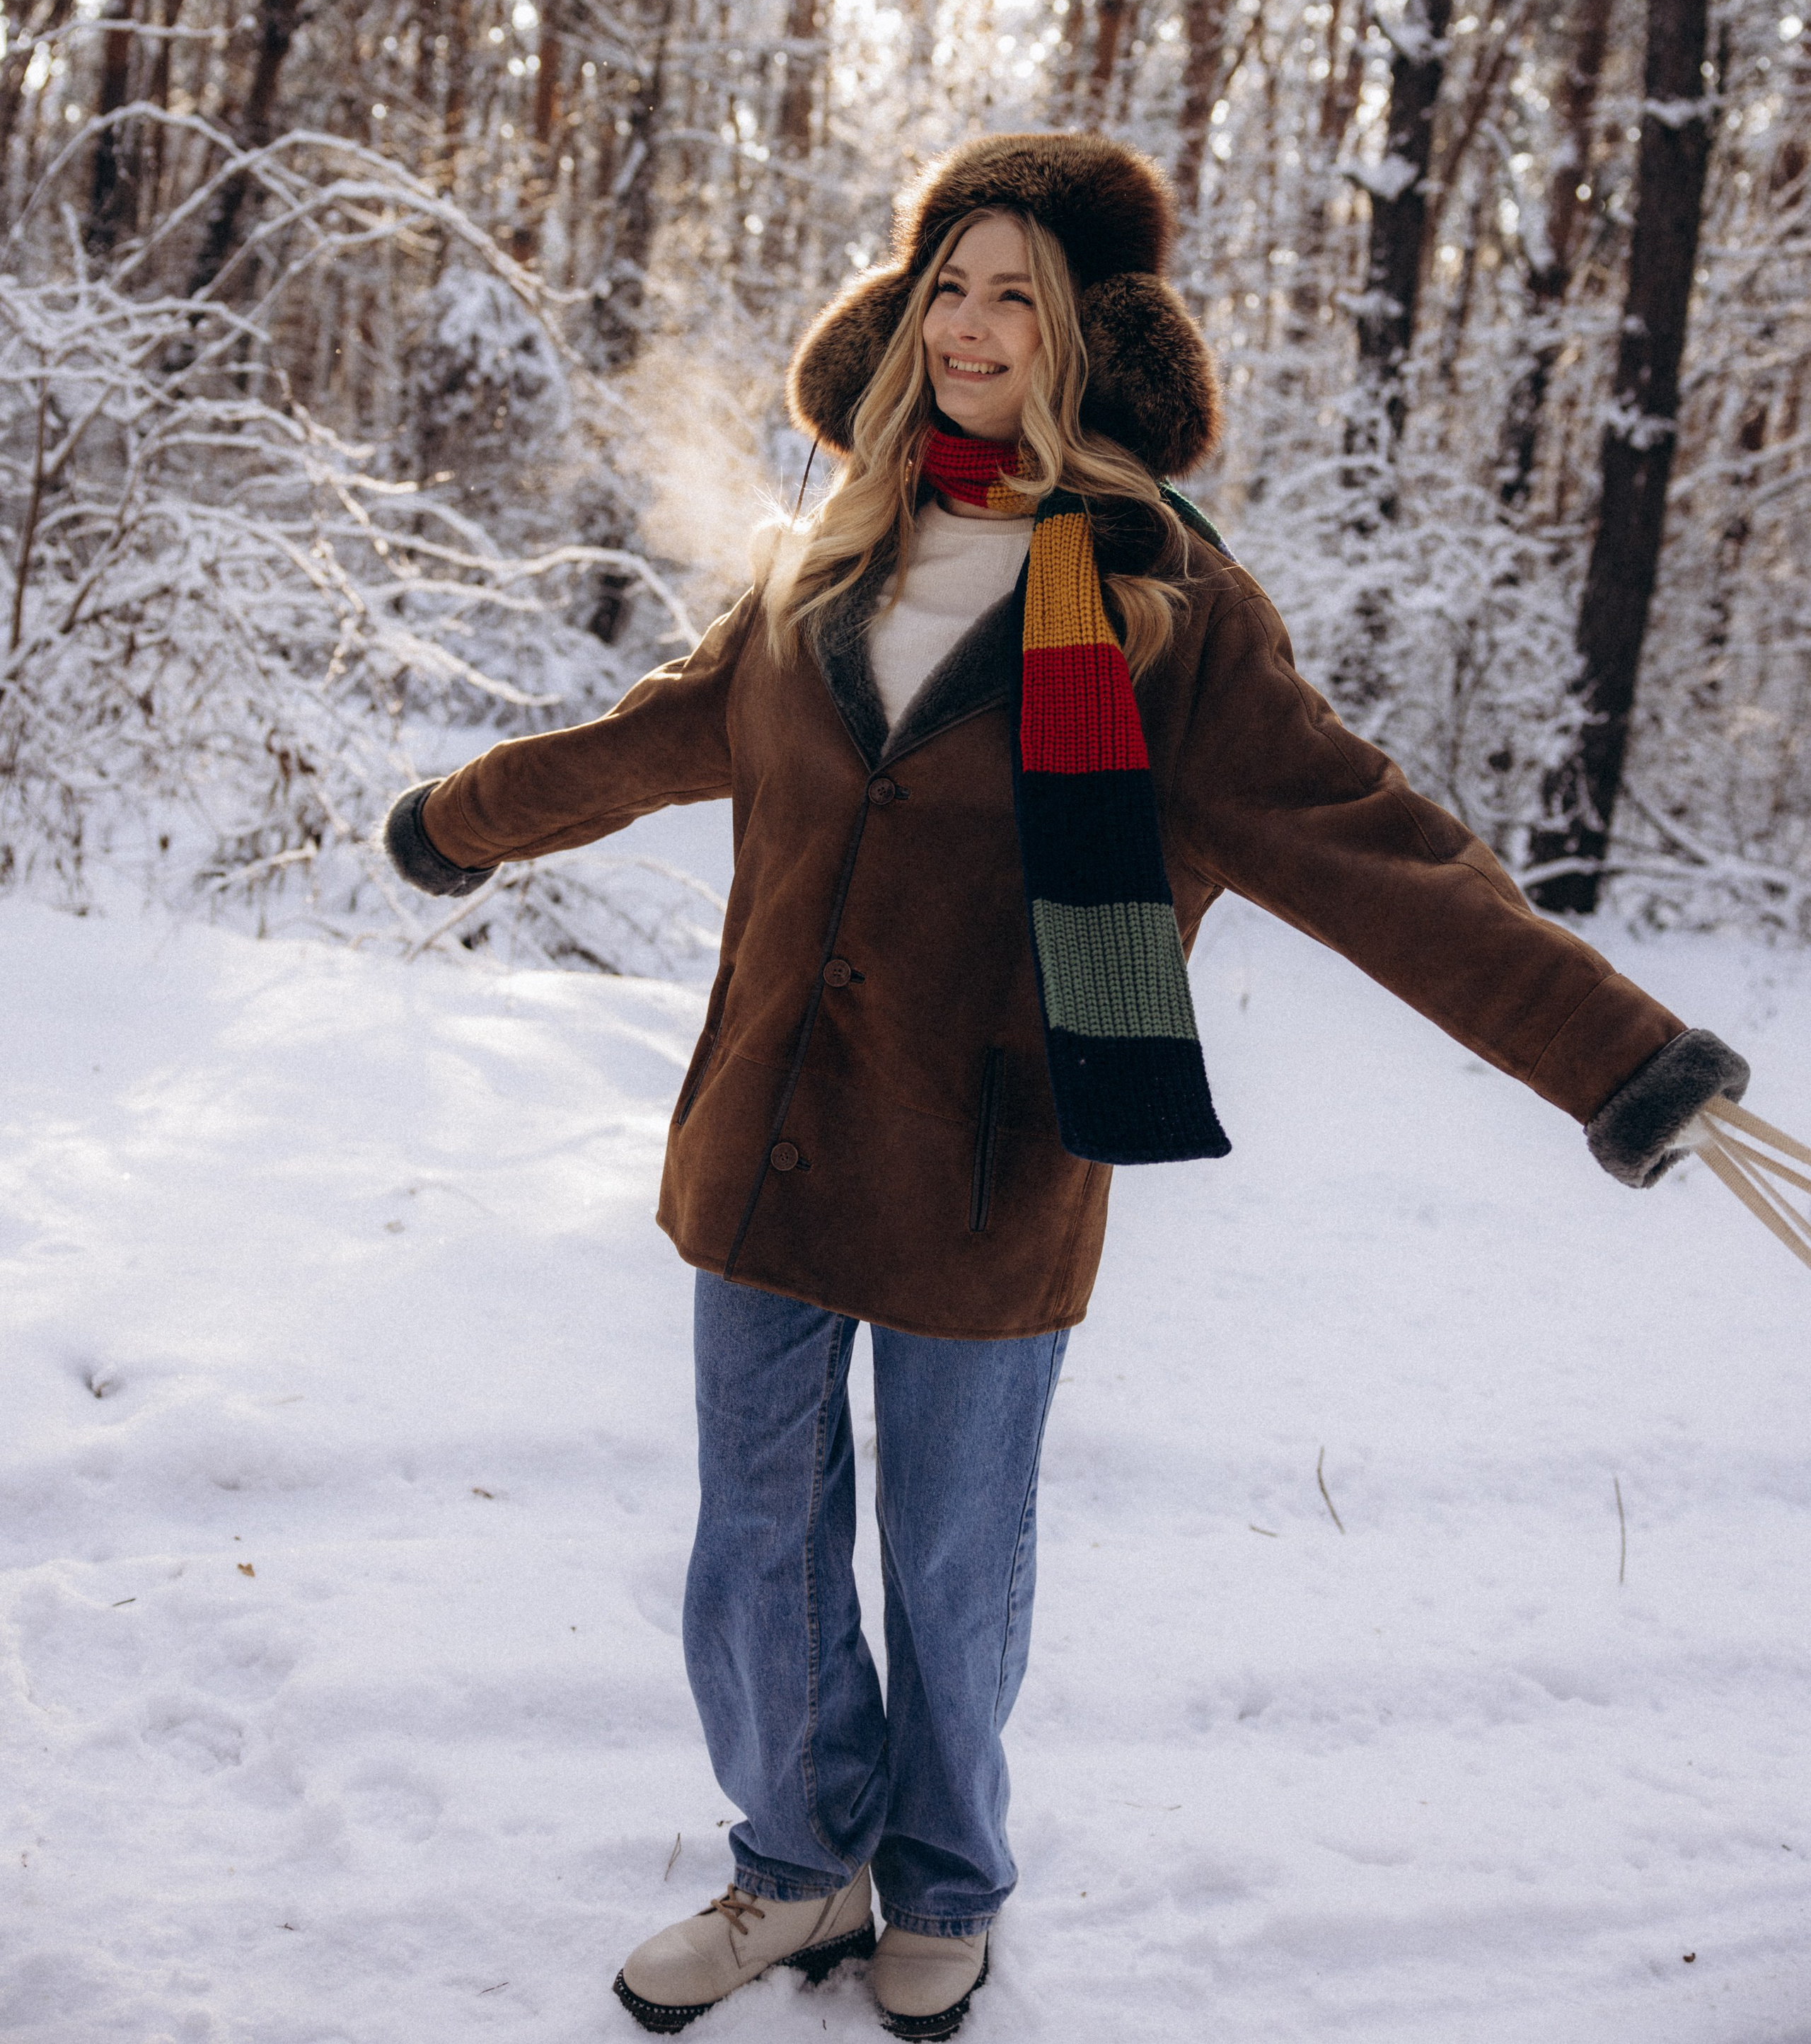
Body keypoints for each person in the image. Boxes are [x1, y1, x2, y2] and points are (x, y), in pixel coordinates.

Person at [383, 132, 1749, 2040]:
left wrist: (1621, 1057)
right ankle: (796, 1867)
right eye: (947, 282)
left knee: (951, 1561)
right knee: (756, 1541)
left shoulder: (1159, 601)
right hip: (771, 1139)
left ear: (1083, 336)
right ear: (900, 314)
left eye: (1014, 292)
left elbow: (1381, 850)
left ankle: (943, 1882)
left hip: (991, 1161)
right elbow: (654, 739)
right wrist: (458, 820)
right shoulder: (824, 561)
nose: (971, 324)